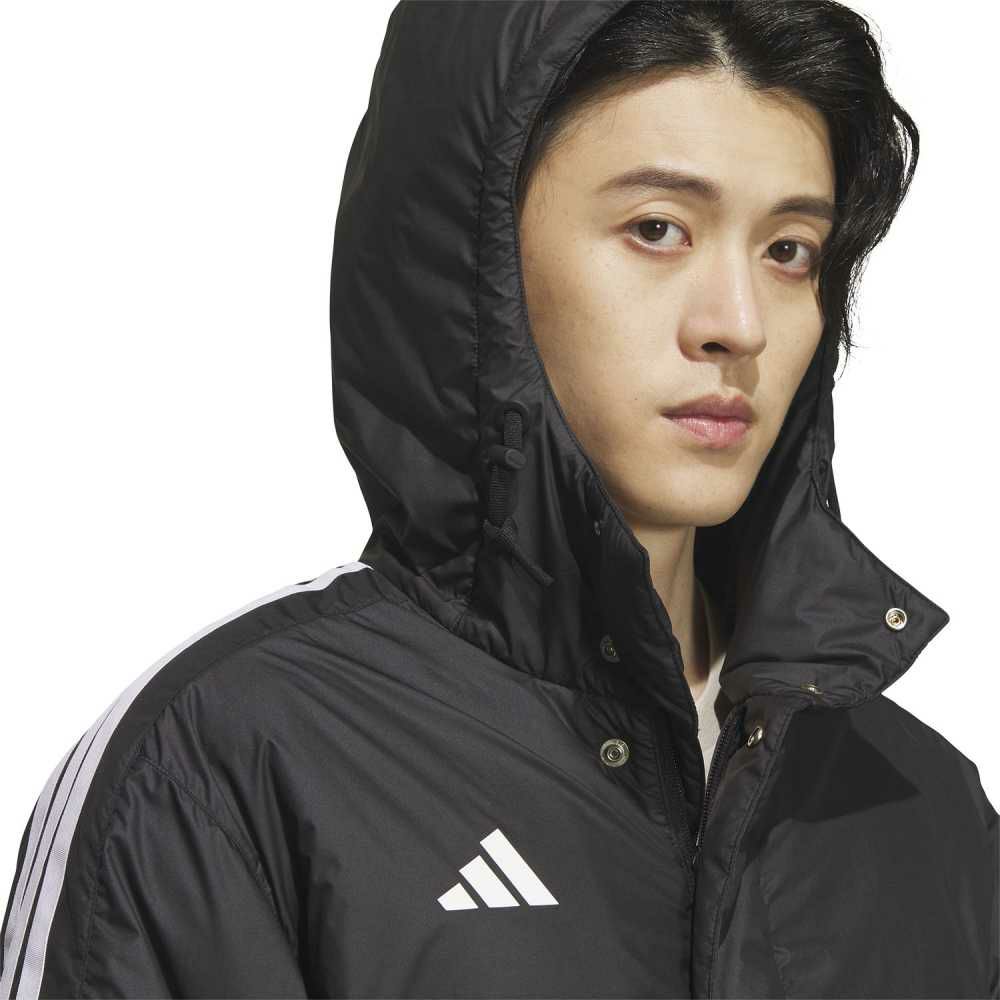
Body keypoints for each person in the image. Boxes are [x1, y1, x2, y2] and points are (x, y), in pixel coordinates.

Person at [2, 1, 997, 997]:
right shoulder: (229, 758)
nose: (738, 324)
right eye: (657, 230)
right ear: (471, 264)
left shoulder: (923, 808)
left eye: (788, 250)